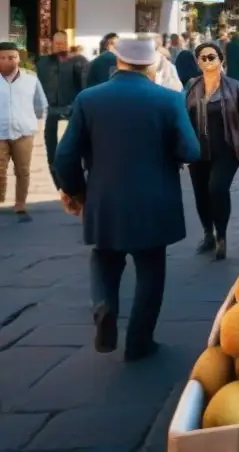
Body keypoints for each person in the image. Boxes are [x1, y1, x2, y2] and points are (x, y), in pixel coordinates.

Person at [53, 38, 200, 362]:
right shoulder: (168, 99)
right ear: (150, 65)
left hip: (105, 198)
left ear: (116, 61)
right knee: (151, 270)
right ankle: (139, 342)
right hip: (154, 200)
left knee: (104, 258)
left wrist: (75, 191)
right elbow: (190, 150)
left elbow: (64, 155)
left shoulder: (89, 99)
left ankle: (104, 304)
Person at [184, 43, 239, 260]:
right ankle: (208, 234)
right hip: (198, 151)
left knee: (217, 188)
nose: (207, 61)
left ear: (221, 59)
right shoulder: (191, 86)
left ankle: (221, 235)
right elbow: (184, 117)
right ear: (197, 62)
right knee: (201, 194)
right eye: (202, 58)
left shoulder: (235, 87)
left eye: (211, 56)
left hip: (226, 148)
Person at [0, 42, 47, 221]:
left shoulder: (31, 79)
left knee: (23, 170)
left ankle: (20, 203)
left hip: (23, 133)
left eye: (11, 57)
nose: (7, 61)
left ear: (18, 58)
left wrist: (32, 123)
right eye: (2, 58)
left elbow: (40, 105)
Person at [36, 30, 89, 185]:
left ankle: (74, 182)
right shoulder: (42, 63)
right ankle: (58, 184)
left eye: (63, 43)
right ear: (51, 44)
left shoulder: (77, 62)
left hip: (71, 111)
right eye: (57, 43)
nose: (60, 46)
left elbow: (83, 87)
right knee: (52, 151)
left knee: (72, 150)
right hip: (51, 113)